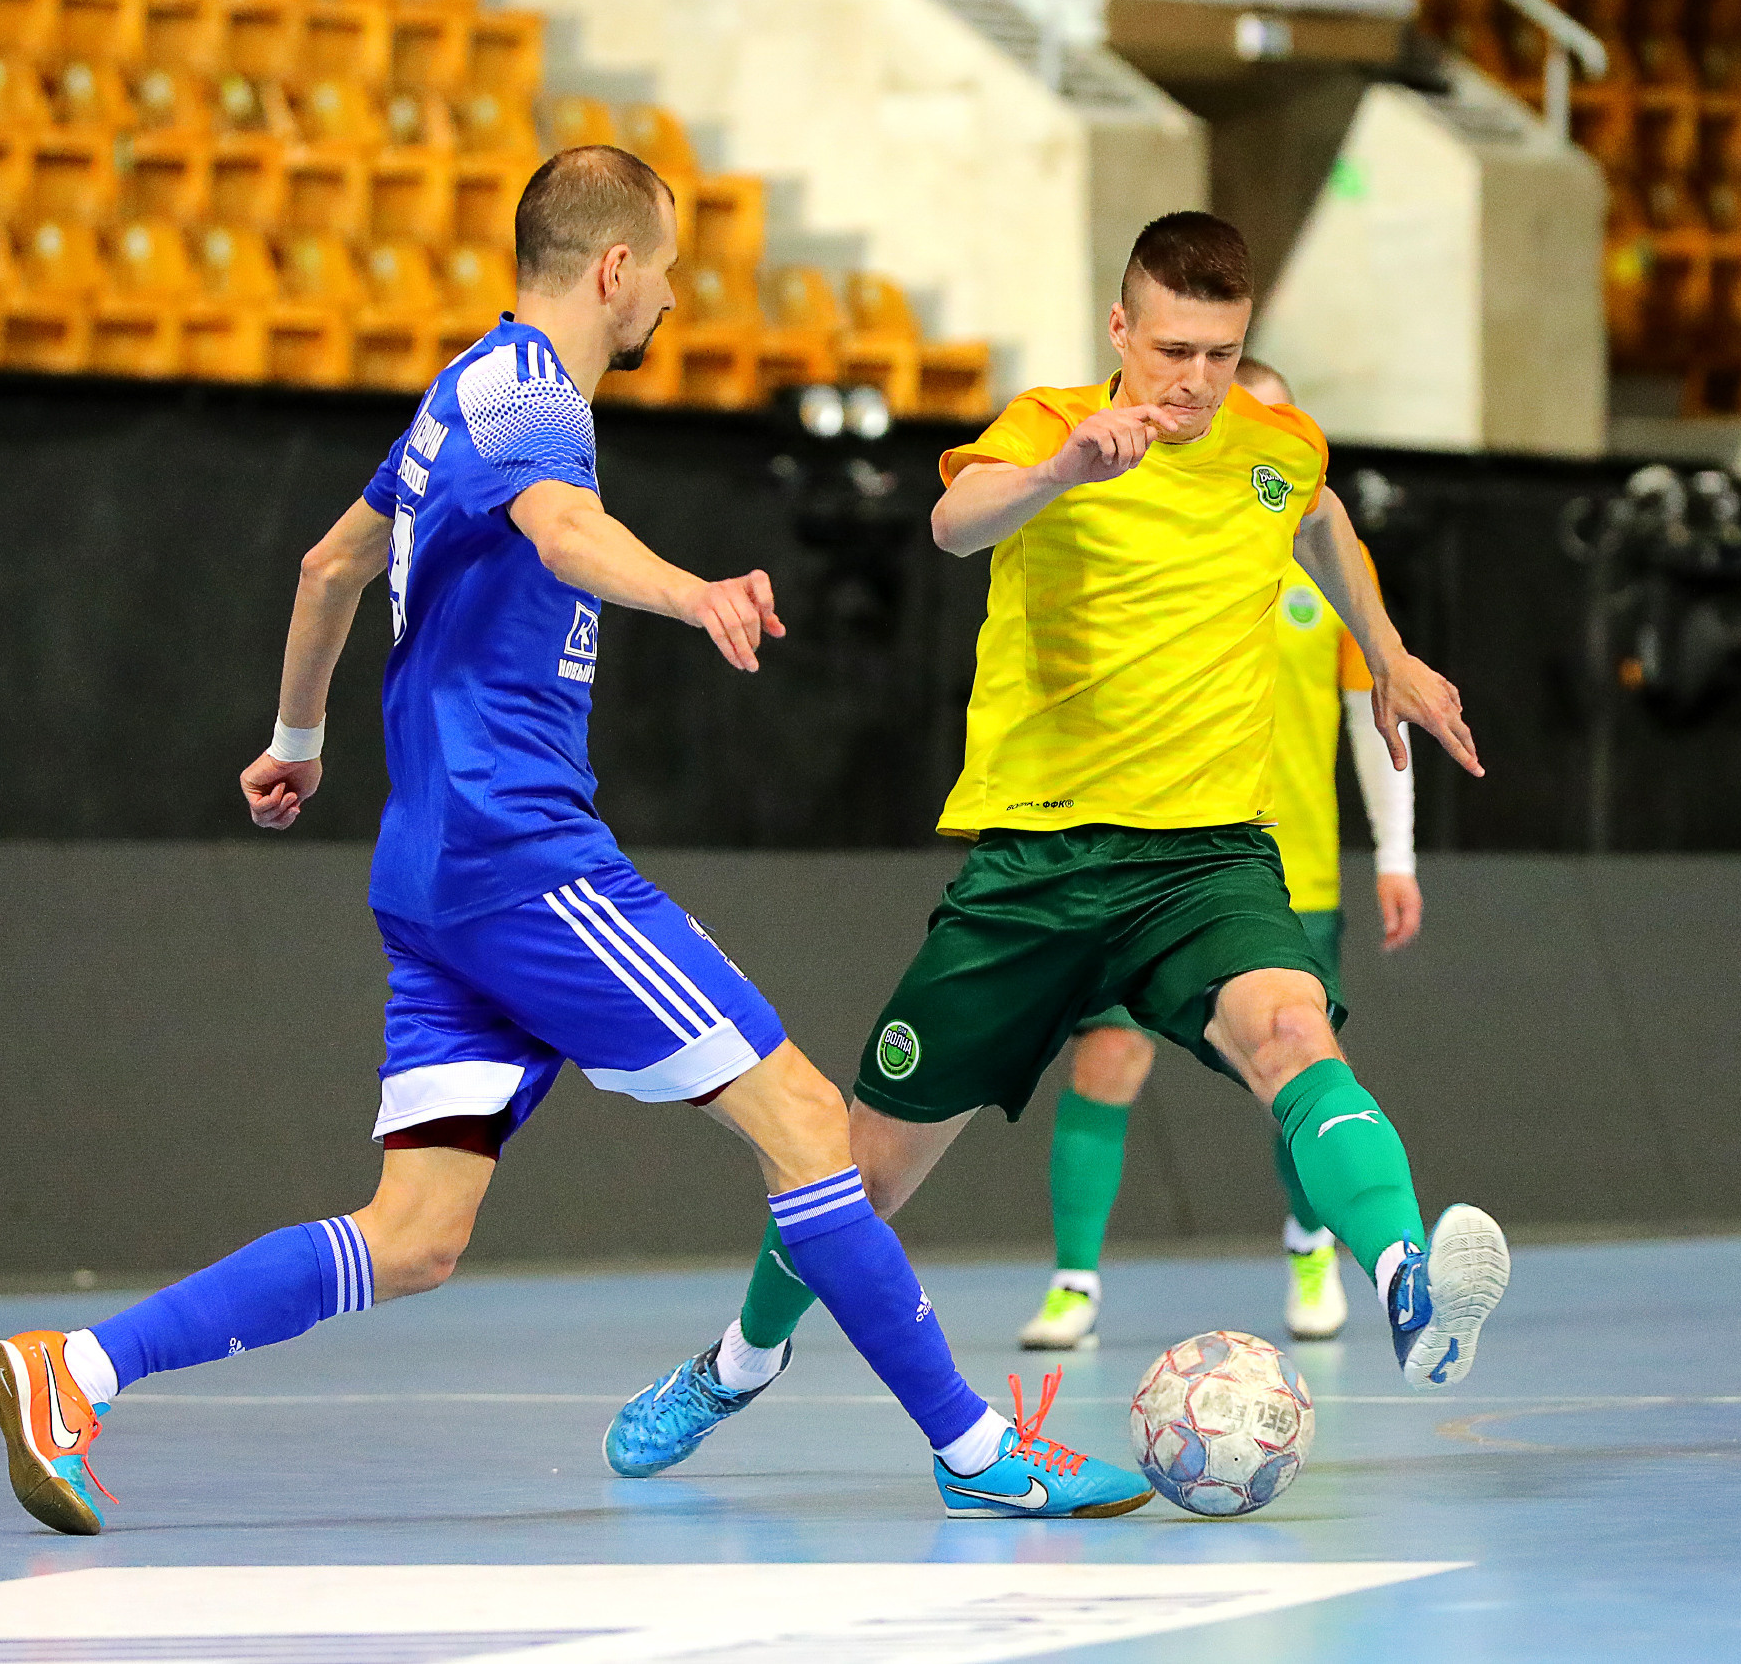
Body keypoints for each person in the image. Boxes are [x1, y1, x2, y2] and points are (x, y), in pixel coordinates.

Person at [0, 145, 1149, 1536]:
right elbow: (563, 532)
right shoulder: (531, 395)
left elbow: (328, 566)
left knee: (415, 1233)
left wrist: (298, 740)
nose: (674, 298)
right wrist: (694, 592)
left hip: (432, 875)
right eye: (668, 270)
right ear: (615, 268)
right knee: (805, 1121)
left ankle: (77, 1368)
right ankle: (973, 1446)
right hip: (521, 858)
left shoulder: (457, 397)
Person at [604, 211, 1510, 1483]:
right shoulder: (1049, 426)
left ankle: (1407, 1278)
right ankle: (738, 1363)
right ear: (1120, 328)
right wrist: (1064, 471)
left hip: (1204, 859)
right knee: (861, 1174)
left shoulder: (1277, 446)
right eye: (1173, 350)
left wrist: (1391, 651)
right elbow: (953, 523)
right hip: (1037, 867)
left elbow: (1317, 522)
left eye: (1221, 353)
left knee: (1293, 1033)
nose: (1195, 380)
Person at [1016, 355, 1423, 1353]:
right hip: (1146, 854)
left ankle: (1313, 1245)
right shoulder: (1155, 543)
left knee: (1298, 1062)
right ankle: (1074, 1280)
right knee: (1107, 1054)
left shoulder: (1330, 567)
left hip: (1290, 868)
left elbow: (1377, 711)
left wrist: (1396, 853)